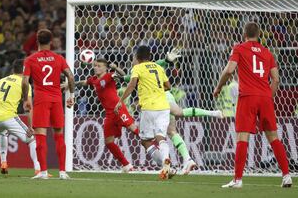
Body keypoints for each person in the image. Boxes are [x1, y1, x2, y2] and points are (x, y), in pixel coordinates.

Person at [214, 22, 292, 188]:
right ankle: (286, 176)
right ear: (259, 34)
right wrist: (267, 97)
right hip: (264, 97)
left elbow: (229, 70)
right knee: (273, 138)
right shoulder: (268, 53)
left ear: (244, 33)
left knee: (242, 137)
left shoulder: (239, 48)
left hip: (248, 97)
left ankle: (238, 180)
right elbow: (276, 79)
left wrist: (219, 86)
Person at [122, 49, 224, 174]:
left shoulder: (142, 68)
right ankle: (187, 160)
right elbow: (133, 77)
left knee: (177, 114)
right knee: (172, 131)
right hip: (162, 99)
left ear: (137, 58)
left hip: (160, 98)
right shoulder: (153, 67)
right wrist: (121, 77)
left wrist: (166, 61)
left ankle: (213, 113)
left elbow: (134, 79)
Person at [22, 29, 75, 180]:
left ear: (37, 42)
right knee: (59, 135)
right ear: (51, 42)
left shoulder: (30, 59)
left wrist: (26, 99)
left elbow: (25, 81)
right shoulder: (58, 58)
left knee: (40, 136)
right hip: (57, 99)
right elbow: (70, 76)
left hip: (41, 100)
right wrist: (71, 96)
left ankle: (43, 172)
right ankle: (63, 172)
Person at [115, 45, 173, 180]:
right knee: (161, 137)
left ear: (137, 57)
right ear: (149, 56)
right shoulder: (158, 67)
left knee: (146, 141)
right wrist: (156, 91)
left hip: (148, 107)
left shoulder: (137, 68)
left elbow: (131, 84)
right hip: (164, 107)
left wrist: (121, 101)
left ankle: (164, 164)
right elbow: (168, 86)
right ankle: (166, 163)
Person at [75, 58, 139, 173]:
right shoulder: (93, 80)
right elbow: (84, 82)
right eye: (95, 65)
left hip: (118, 109)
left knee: (135, 130)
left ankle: (155, 147)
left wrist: (115, 68)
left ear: (105, 67)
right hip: (109, 114)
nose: (96, 67)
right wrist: (69, 84)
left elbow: (124, 76)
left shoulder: (110, 75)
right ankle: (127, 166)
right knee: (109, 142)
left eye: (99, 66)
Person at [0, 59, 40, 175]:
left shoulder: (2, 80)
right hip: (9, 117)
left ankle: (3, 163)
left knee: (3, 133)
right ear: (24, 69)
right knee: (32, 139)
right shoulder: (25, 84)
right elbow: (28, 107)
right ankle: (38, 169)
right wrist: (30, 127)